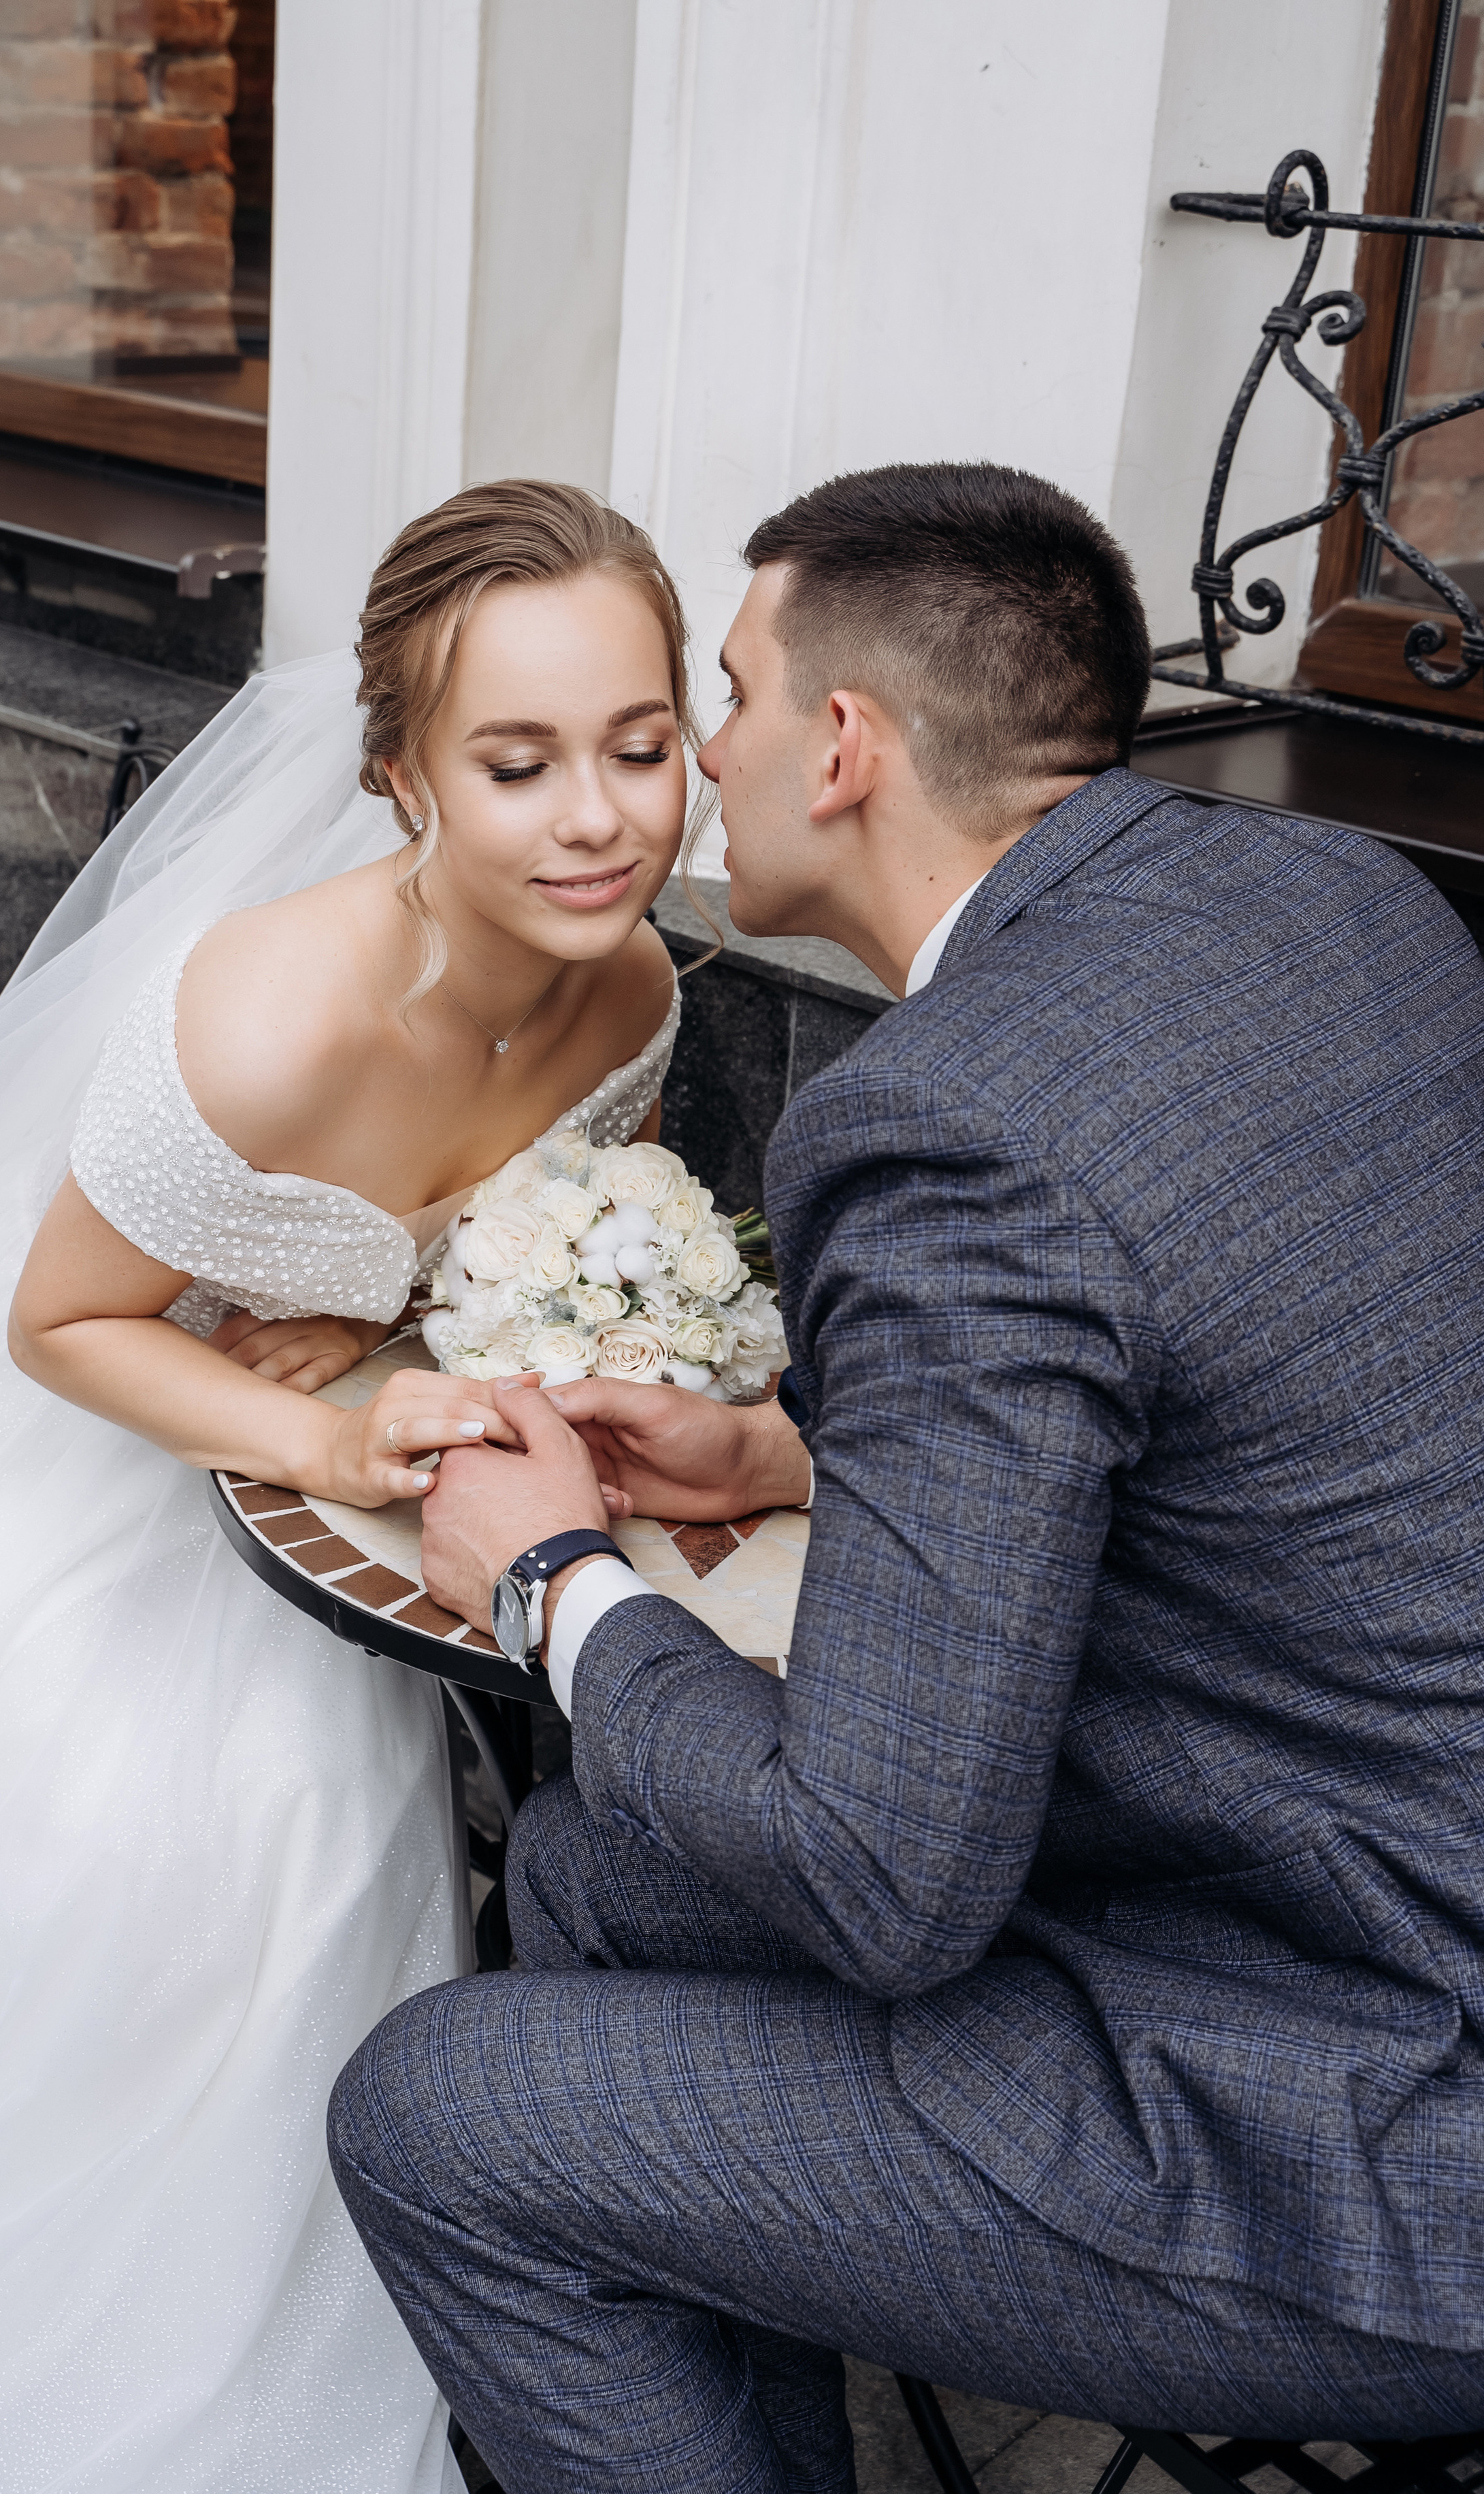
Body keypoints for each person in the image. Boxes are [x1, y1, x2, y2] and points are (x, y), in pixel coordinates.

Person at [329, 461, 1484, 2494]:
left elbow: (885, 1880)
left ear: (842, 750)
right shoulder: (1349, 900)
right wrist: (785, 1443)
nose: (702, 752)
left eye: (733, 697)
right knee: (601, 1868)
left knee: (432, 2116)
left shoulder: (950, 1122)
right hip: (1369, 1832)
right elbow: (1228, 1399)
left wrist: (552, 1579)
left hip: (1374, 2104)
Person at [0, 481, 697, 2494]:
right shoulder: (269, 1019)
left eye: (641, 744)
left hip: (323, 1478)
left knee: (332, 1875)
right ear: (401, 775)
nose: (600, 816)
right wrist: (331, 1424)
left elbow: (528, 1233)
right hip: (74, 1475)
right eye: (517, 764)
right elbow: (62, 1323)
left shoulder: (636, 992)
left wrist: (413, 1308)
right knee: (165, 1857)